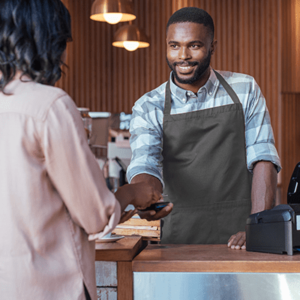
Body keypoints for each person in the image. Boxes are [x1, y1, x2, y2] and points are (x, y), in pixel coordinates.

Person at [0, 1, 161, 299]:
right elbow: (96, 217)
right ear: (51, 42)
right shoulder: (51, 105)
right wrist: (130, 194)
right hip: (51, 288)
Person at [127, 7, 281, 249]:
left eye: (194, 45)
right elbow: (145, 164)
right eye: (174, 45)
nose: (183, 56)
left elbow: (263, 158)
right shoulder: (148, 105)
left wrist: (258, 225)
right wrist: (143, 199)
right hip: (178, 239)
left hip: (242, 238)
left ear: (212, 47)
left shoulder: (244, 89)